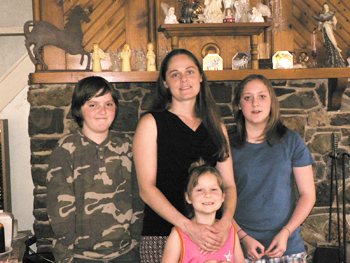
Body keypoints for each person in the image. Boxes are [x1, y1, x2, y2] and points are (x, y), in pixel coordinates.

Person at [133, 49, 237, 263]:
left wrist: (225, 223)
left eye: (189, 72)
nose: (183, 79)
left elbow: (229, 185)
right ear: (164, 83)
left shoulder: (217, 127)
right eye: (175, 74)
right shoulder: (151, 124)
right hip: (161, 235)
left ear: (200, 76)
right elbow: (146, 189)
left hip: (210, 237)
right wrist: (189, 227)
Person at [46, 76, 144, 263]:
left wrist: (135, 240)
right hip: (80, 256)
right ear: (78, 109)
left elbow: (138, 195)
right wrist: (66, 255)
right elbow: (58, 208)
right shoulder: (65, 148)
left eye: (108, 104)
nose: (102, 111)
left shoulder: (127, 145)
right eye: (93, 105)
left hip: (125, 253)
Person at [230, 74, 316, 262]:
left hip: (287, 247)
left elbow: (308, 194)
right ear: (238, 105)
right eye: (247, 98)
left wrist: (286, 232)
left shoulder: (292, 141)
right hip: (239, 249)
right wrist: (243, 237)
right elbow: (218, 199)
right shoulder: (226, 144)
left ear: (272, 102)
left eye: (262, 96)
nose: (255, 103)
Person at [161, 159, 244, 263]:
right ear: (188, 197)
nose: (208, 195)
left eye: (214, 189)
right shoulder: (178, 235)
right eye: (200, 190)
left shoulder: (231, 231)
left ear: (223, 196)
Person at [313, 2, 345, 67]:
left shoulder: (330, 14)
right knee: (327, 44)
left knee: (332, 42)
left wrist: (330, 22)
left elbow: (335, 21)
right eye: (324, 6)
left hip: (329, 29)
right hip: (324, 30)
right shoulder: (322, 15)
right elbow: (319, 23)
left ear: (328, 7)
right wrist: (321, 23)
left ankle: (335, 61)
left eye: (326, 6)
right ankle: (329, 60)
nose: (325, 7)